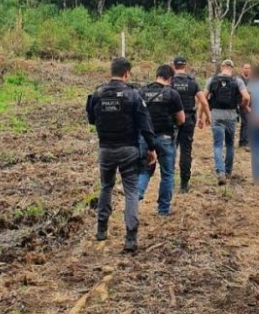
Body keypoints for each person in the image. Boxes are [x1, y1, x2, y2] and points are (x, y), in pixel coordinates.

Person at [86, 57, 157, 253]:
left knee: (106, 187)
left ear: (111, 72)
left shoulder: (97, 93)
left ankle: (101, 229)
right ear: (126, 74)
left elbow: (92, 119)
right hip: (129, 149)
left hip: (106, 149)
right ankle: (131, 238)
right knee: (131, 192)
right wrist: (151, 149)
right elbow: (145, 123)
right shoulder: (133, 94)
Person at [138, 65, 185, 216]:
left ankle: (135, 198)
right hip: (165, 137)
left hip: (145, 138)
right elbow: (181, 119)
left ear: (156, 75)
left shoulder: (141, 92)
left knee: (144, 170)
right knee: (167, 174)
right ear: (170, 79)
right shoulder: (172, 94)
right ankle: (163, 210)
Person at [204, 59, 250, 185]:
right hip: (231, 115)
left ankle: (220, 172)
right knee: (229, 144)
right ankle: (228, 171)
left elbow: (203, 97)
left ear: (222, 67)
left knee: (218, 145)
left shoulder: (212, 80)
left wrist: (205, 114)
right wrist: (242, 105)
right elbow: (246, 97)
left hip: (216, 114)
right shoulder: (238, 80)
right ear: (232, 68)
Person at [171, 56, 211, 193]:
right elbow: (204, 102)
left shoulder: (169, 81)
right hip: (188, 118)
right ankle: (184, 184)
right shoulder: (192, 82)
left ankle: (168, 181)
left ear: (173, 66)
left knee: (171, 150)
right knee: (186, 151)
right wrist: (207, 116)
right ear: (185, 66)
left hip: (171, 120)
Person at [238, 63, 251, 150]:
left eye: (248, 68)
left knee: (246, 122)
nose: (247, 70)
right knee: (246, 122)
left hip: (251, 103)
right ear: (242, 69)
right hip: (242, 103)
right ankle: (244, 142)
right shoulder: (239, 79)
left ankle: (243, 141)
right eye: (245, 68)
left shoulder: (252, 80)